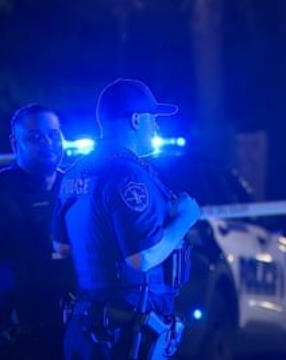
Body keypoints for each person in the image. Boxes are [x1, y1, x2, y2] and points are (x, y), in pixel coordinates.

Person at [55, 78, 200, 359]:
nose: (156, 126)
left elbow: (61, 248)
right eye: (153, 118)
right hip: (124, 332)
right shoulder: (128, 174)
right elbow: (141, 257)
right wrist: (185, 218)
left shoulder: (74, 173)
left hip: (88, 323)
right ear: (136, 120)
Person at [0, 104, 73, 359]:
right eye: (35, 137)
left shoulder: (74, 187)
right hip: (15, 339)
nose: (48, 143)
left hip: (71, 336)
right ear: (14, 142)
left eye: (53, 134)